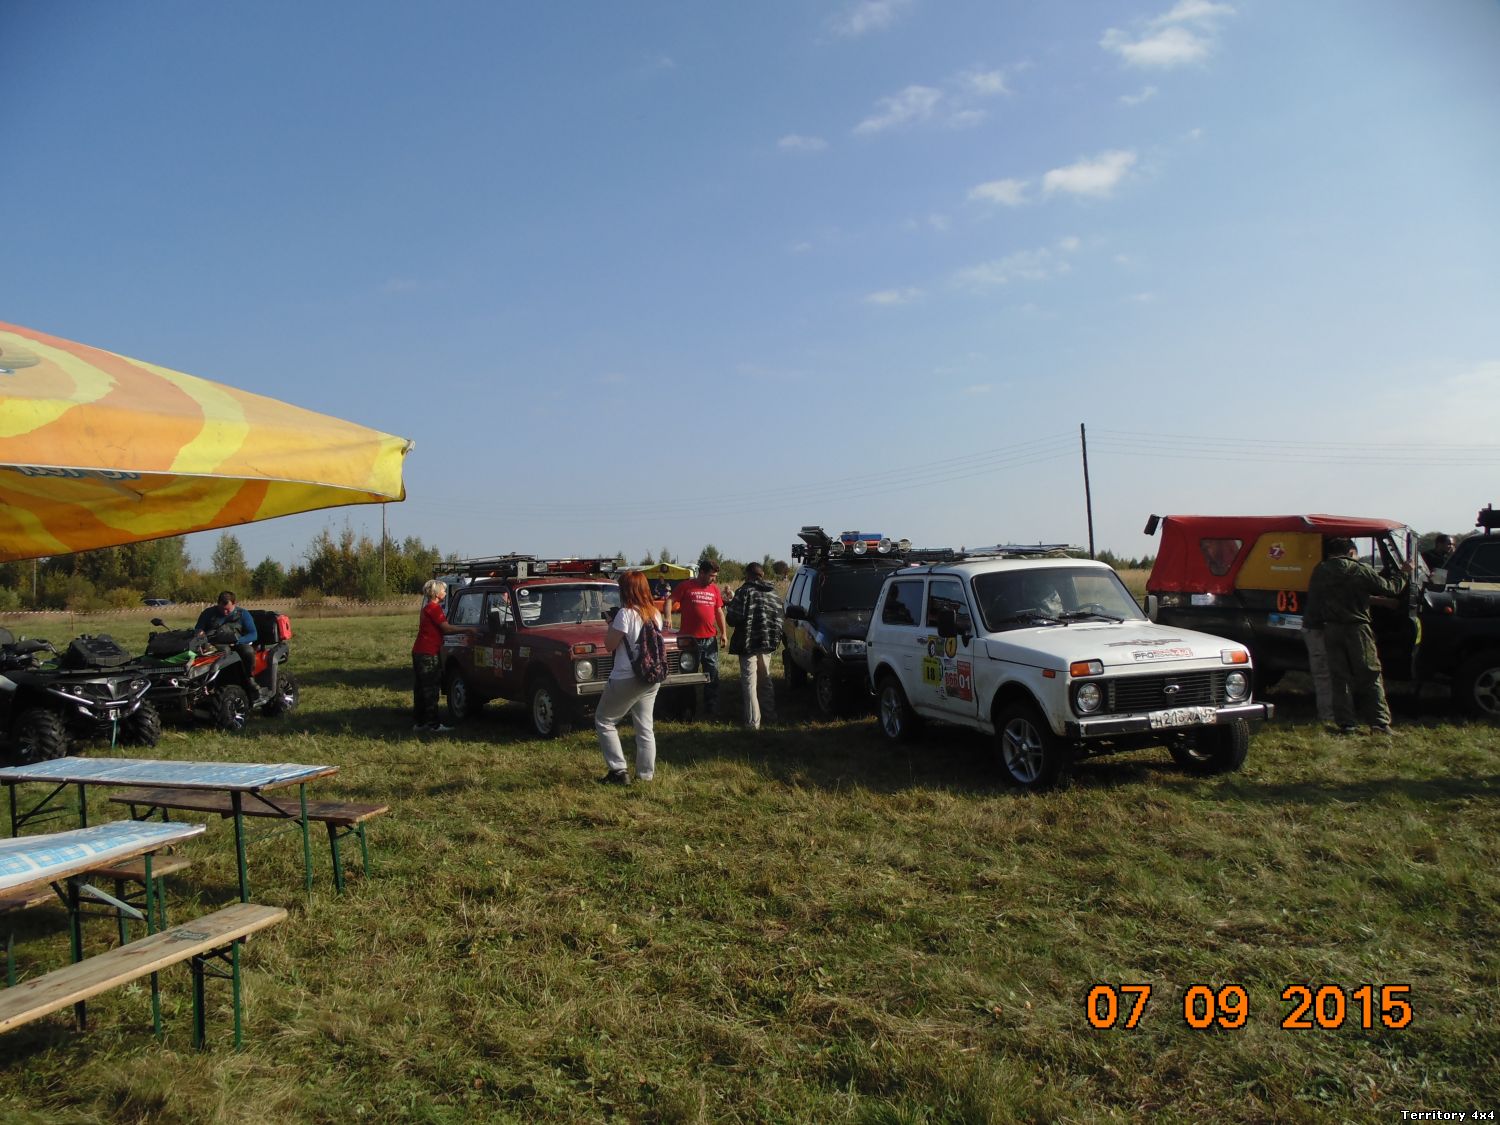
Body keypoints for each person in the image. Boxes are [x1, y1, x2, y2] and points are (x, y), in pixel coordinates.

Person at [1305, 537, 1411, 736]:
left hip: (1331, 628)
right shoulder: (1360, 570)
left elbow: (1315, 600)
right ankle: (1379, 723)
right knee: (1370, 675)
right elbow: (1391, 588)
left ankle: (1347, 724)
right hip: (1357, 629)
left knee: (1339, 678)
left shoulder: (1321, 570)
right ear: (1351, 552)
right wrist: (1404, 573)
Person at [596, 569, 666, 786]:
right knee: (645, 727)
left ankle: (618, 770)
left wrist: (611, 623)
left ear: (626, 591)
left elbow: (610, 645)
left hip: (625, 677)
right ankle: (645, 775)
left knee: (604, 720)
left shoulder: (624, 614)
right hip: (651, 676)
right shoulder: (655, 614)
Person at [412, 579, 476, 733]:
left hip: (419, 650)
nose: (446, 593)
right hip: (428, 652)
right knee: (431, 689)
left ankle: (420, 722)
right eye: (443, 590)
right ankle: (433, 724)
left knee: (420, 688)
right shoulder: (435, 609)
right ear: (436, 593)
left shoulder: (426, 608)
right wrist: (467, 629)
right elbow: (446, 628)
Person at [666, 558, 727, 716]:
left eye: (715, 576)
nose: (714, 579)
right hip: (689, 641)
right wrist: (668, 617)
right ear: (702, 573)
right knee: (687, 675)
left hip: (709, 639)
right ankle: (687, 707)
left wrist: (724, 633)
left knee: (712, 673)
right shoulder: (686, 586)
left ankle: (711, 708)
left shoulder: (714, 589)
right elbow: (670, 600)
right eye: (711, 576)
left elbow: (719, 612)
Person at [726, 562, 784, 729]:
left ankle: (753, 723)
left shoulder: (744, 592)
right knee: (765, 680)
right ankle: (770, 716)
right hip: (767, 643)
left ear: (748, 575)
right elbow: (780, 617)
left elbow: (732, 619)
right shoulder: (773, 593)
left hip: (748, 644)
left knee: (750, 683)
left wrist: (730, 604)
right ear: (762, 574)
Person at [194, 590, 272, 702]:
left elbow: (253, 634)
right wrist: (200, 634)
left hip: (237, 643)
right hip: (214, 643)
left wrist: (239, 641)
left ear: (234, 604)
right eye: (222, 609)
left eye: (228, 609)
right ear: (218, 604)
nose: (225, 612)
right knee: (218, 654)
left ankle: (250, 678)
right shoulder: (208, 613)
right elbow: (198, 629)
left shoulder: (243, 614)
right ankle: (208, 683)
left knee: (248, 652)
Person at [1301, 539, 1344, 728]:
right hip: (1319, 627)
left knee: (1324, 672)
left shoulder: (1321, 569)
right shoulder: (1332, 570)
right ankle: (1328, 714)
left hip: (1315, 626)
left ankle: (1331, 713)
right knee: (1325, 673)